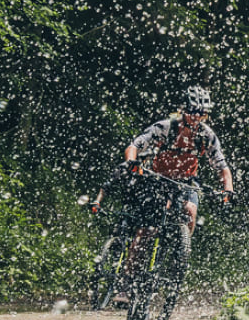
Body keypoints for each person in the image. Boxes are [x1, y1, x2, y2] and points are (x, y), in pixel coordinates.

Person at [93, 86, 235, 233]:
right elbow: (134, 146)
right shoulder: (165, 128)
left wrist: (228, 189)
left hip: (186, 182)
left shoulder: (206, 135)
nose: (196, 116)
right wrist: (131, 162)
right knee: (147, 231)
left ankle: (181, 251)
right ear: (183, 109)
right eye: (192, 111)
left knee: (191, 211)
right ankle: (134, 255)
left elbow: (222, 167)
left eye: (200, 113)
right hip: (157, 179)